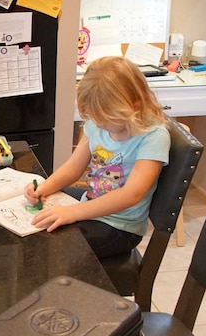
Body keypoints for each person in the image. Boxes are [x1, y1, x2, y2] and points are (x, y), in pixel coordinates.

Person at [25, 56, 170, 258]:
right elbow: (74, 167)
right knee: (38, 221)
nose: (98, 124)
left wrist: (73, 212)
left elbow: (131, 195)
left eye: (106, 118)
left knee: (53, 248)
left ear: (135, 105)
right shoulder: (97, 124)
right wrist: (44, 188)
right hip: (90, 204)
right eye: (94, 117)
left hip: (120, 226)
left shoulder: (153, 137)